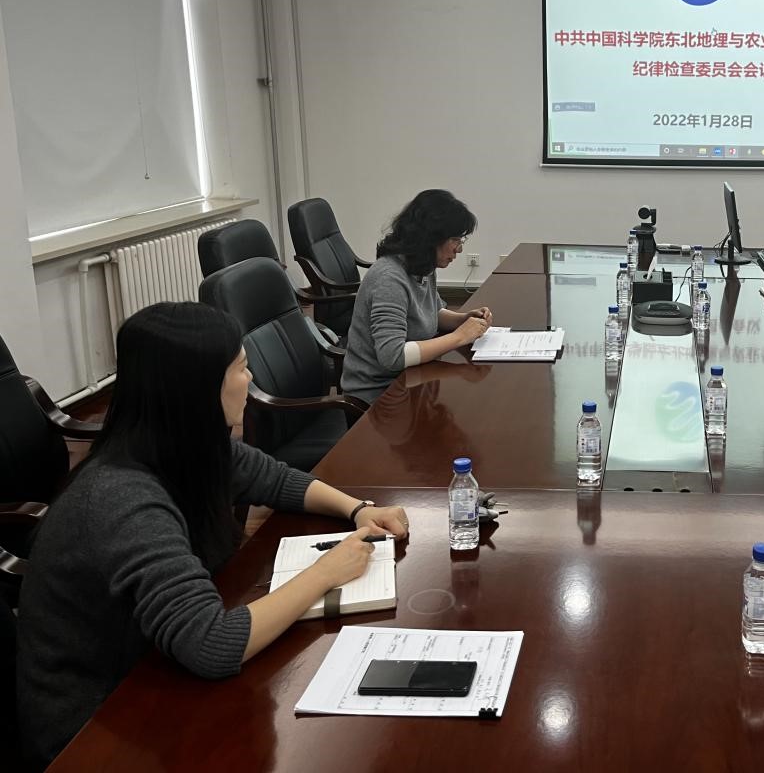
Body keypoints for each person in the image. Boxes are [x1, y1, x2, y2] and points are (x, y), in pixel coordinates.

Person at [17, 302, 410, 767]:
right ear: (199, 388)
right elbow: (211, 645)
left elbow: (276, 480)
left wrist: (359, 510)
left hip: (156, 670)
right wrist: (326, 572)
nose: (251, 379)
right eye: (241, 368)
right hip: (96, 726)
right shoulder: (121, 499)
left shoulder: (185, 446)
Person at [342, 189, 494, 403]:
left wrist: (463, 319)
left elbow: (431, 312)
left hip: (411, 379)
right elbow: (393, 356)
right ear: (431, 238)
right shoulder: (389, 279)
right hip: (379, 396)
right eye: (455, 240)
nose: (459, 250)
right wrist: (459, 337)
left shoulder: (422, 266)